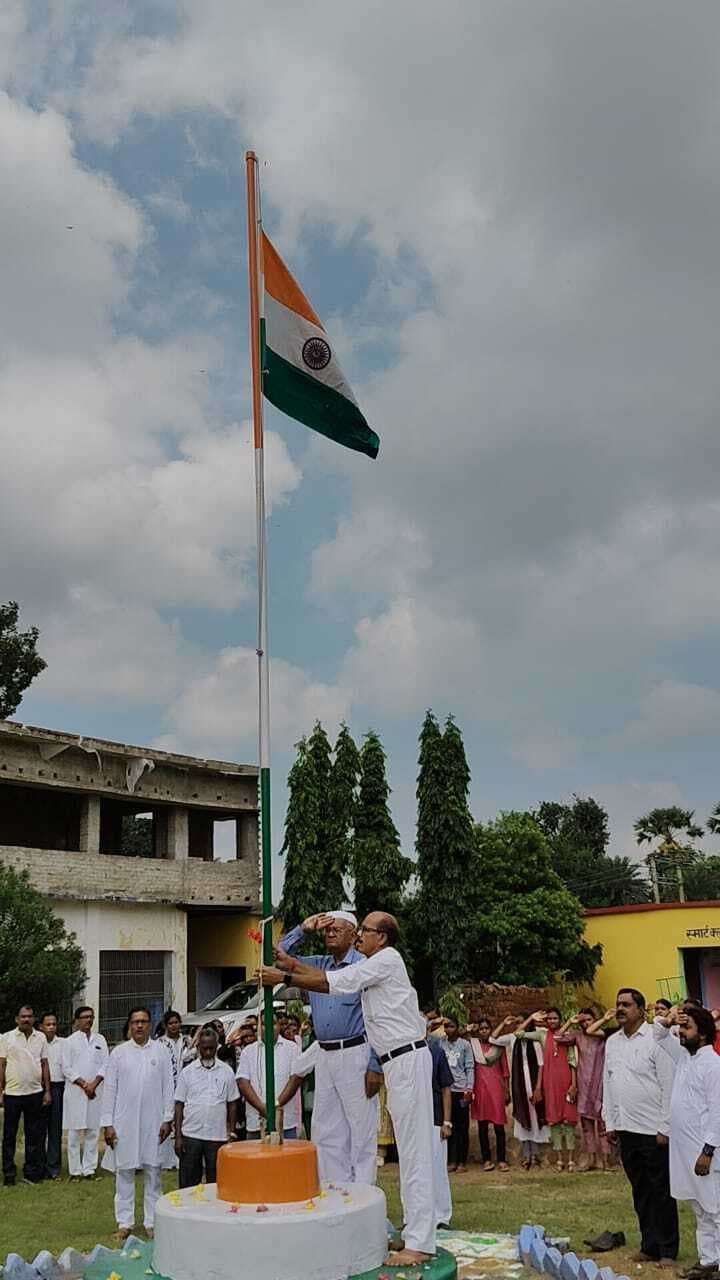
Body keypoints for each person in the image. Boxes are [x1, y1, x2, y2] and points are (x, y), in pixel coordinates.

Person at [260, 910, 436, 1266]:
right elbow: (327, 974)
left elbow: (334, 983)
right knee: (398, 1147)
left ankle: (419, 1241)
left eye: (364, 932)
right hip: (394, 1061)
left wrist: (284, 976)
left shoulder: (385, 960)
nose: (359, 938)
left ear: (381, 937)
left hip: (404, 1059)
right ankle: (411, 1232)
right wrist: (291, 964)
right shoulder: (370, 963)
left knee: (413, 1152)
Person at [277, 910, 382, 1187]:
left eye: (337, 929)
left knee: (360, 1129)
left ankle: (362, 1195)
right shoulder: (317, 965)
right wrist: (303, 928)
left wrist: (375, 1065)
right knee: (326, 1130)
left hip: (356, 1052)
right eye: (327, 930)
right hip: (325, 1054)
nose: (330, 933)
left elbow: (377, 1019)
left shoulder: (365, 965)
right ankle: (335, 1192)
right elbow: (277, 959)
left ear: (353, 933)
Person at [603, 987, 678, 1267]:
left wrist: (665, 1126)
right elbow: (607, 1083)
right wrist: (610, 1121)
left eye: (626, 1005)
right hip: (626, 1127)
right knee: (640, 1190)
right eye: (618, 1004)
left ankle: (668, 1250)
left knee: (661, 1190)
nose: (620, 1009)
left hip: (653, 1130)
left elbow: (668, 1084)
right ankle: (649, 1246)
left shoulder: (656, 1040)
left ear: (640, 1009)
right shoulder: (612, 1042)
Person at [652, 1005, 720, 1279]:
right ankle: (708, 1261)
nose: (680, 1032)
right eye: (680, 1026)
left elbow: (718, 1111)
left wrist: (708, 1151)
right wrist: (670, 1018)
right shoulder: (684, 1057)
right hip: (684, 1151)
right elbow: (658, 1033)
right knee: (700, 1209)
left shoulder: (713, 1065)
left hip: (706, 1153)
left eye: (687, 1027)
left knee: (715, 1209)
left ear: (702, 1034)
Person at [101, 1006, 175, 1240]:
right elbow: (110, 1090)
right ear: (130, 1025)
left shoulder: (161, 1052)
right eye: (135, 1022)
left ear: (150, 1025)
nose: (140, 1026)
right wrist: (107, 1123)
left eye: (144, 1021)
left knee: (153, 1170)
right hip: (124, 1121)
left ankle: (152, 1222)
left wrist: (167, 1118)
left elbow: (168, 1087)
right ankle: (125, 1222)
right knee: (125, 1171)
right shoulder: (119, 1053)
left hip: (154, 1121)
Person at [175, 1025, 238, 1188]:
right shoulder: (187, 1072)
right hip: (191, 1134)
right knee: (188, 1183)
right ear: (198, 1047)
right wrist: (178, 1137)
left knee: (217, 1183)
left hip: (217, 1136)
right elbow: (179, 1104)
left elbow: (232, 1103)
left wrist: (231, 1132)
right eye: (204, 1048)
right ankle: (186, 1213)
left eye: (211, 1048)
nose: (208, 1052)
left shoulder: (227, 1072)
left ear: (217, 1046)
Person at [515, 1008, 578, 1172]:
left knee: (568, 1122)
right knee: (555, 1122)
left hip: (566, 1082)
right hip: (550, 1084)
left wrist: (574, 1084)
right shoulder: (542, 1035)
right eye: (549, 1019)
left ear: (560, 1019)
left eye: (555, 1018)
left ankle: (571, 1159)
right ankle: (559, 1160)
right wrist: (530, 1017)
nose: (551, 1021)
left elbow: (572, 1061)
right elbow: (518, 1034)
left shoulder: (569, 1035)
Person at [0, 1004, 51, 1185]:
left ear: (34, 1018)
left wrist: (47, 1091)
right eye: (23, 1016)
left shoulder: (41, 1037)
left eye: (29, 1016)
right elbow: (2, 1065)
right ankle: (9, 1174)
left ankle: (31, 1173)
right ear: (17, 1019)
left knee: (33, 1136)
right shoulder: (7, 1038)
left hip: (35, 1093)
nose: (26, 1019)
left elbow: (45, 1064)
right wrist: (1, 1091)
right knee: (9, 1136)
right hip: (12, 1094)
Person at [491, 1014, 548, 1170]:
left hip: (534, 1082)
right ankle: (526, 1154)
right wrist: (503, 1023)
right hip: (519, 1085)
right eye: (517, 1023)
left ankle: (534, 1155)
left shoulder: (535, 1039)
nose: (519, 1025)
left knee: (535, 1117)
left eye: (522, 1022)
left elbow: (541, 1065)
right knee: (522, 1117)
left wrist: (538, 1088)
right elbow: (493, 1038)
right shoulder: (513, 1038)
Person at [556, 1008, 610, 1172]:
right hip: (584, 1087)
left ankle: (606, 1162)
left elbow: (597, 1030)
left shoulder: (602, 1035)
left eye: (589, 1020)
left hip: (600, 1087)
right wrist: (570, 1022)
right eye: (583, 1021)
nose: (586, 1023)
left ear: (595, 1020)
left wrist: (603, 1020)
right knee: (587, 1127)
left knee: (602, 1127)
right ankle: (591, 1160)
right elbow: (558, 1037)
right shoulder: (578, 1036)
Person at [236, 1011, 301, 1139]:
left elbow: (295, 1080)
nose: (270, 1027)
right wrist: (262, 1108)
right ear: (259, 1027)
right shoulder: (248, 1051)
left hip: (285, 1123)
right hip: (256, 1122)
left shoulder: (292, 1049)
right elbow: (243, 1082)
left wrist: (275, 1107)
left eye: (273, 1023)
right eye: (265, 1024)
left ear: (279, 1026)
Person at [62, 1005, 108, 1181]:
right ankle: (75, 1171)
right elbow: (67, 1068)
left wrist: (94, 1084)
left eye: (91, 1017)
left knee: (93, 1131)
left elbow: (106, 1063)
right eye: (85, 1017)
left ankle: (89, 1169)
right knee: (74, 1133)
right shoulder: (69, 1041)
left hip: (95, 1091)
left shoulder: (100, 1039)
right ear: (77, 1020)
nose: (89, 1020)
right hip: (76, 1091)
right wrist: (83, 1084)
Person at [468, 1017, 509, 1171]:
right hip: (480, 1090)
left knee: (499, 1126)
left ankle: (502, 1159)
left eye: (486, 1028)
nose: (484, 1031)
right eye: (481, 1029)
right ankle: (486, 1160)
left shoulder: (499, 1047)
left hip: (496, 1090)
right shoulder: (473, 1046)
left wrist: (507, 1090)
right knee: (482, 1125)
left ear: (491, 1030)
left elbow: (505, 1070)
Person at [440, 1016, 474, 1173]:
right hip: (446, 1091)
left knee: (462, 1126)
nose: (448, 1029)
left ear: (458, 1028)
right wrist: (437, 1022)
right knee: (448, 1124)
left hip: (461, 1091)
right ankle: (451, 1160)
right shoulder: (441, 1043)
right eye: (446, 1026)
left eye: (451, 1026)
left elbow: (469, 1067)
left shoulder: (465, 1045)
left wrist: (469, 1088)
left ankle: (461, 1161)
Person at [428, 1034, 453, 1228]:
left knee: (438, 1170)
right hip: (412, 1122)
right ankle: (413, 1217)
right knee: (413, 1171)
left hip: (436, 1119)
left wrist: (446, 1122)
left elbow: (446, 1089)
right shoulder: (403, 1056)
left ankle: (442, 1217)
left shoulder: (437, 1053)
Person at [38, 1012, 65, 1180]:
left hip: (58, 1087)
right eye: (48, 1024)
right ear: (41, 1026)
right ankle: (39, 1166)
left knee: (55, 1129)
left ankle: (53, 1167)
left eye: (54, 1024)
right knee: (39, 1129)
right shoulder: (36, 1042)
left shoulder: (63, 1043)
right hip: (38, 1088)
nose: (51, 1027)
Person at [157, 1010, 191, 1084]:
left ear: (180, 1023)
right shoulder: (160, 1043)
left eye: (176, 1022)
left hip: (186, 1082)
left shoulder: (187, 1040)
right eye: (170, 1023)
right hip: (167, 1082)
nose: (174, 1025)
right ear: (165, 1025)